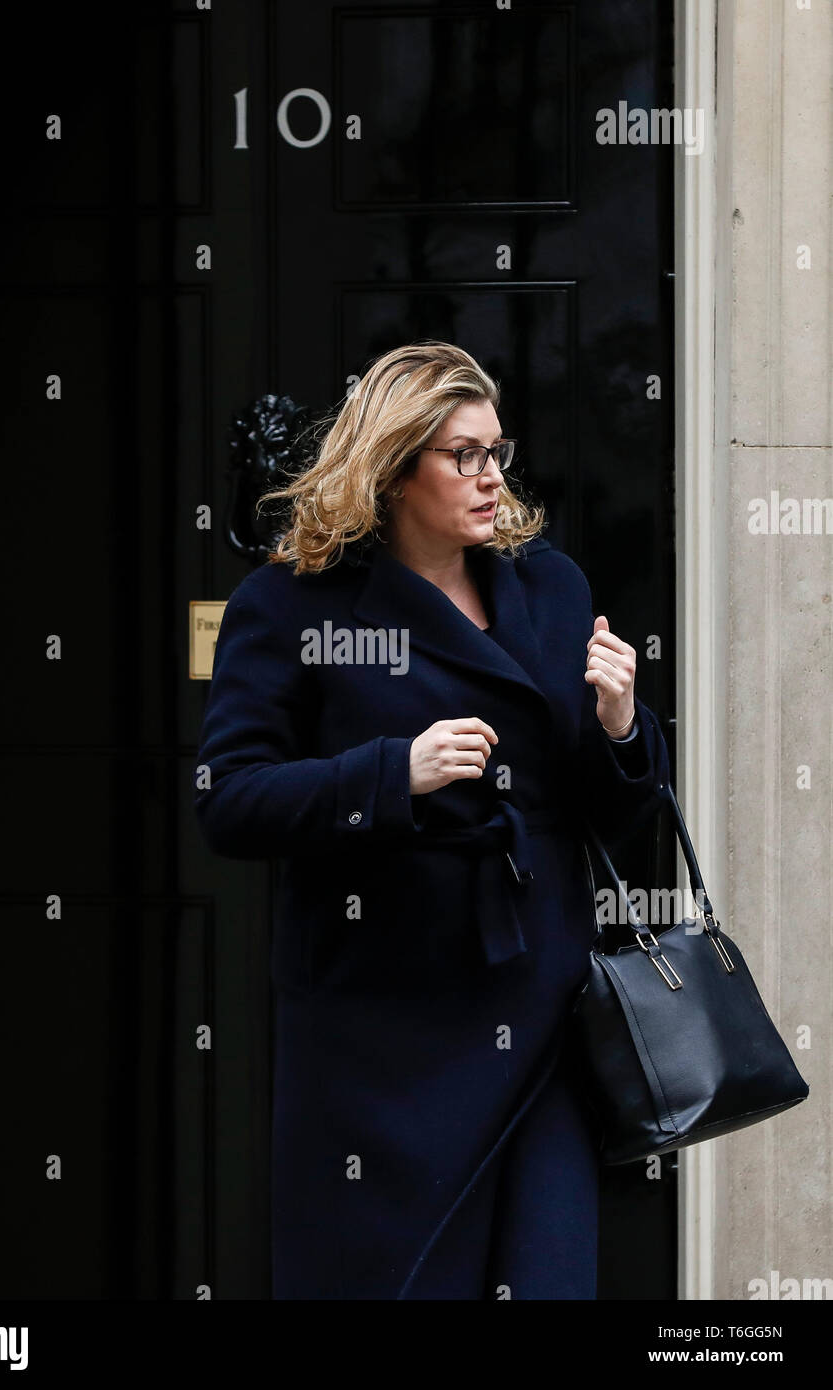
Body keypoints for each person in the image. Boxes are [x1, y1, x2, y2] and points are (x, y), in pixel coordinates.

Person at [194, 341, 670, 1299]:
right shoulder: (290, 607)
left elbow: (610, 813)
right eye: (464, 455)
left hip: (534, 1004)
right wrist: (388, 775)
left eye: (498, 451)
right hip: (378, 1034)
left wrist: (623, 727)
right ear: (394, 466)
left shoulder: (551, 588)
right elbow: (230, 799)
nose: (493, 477)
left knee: (540, 1273)